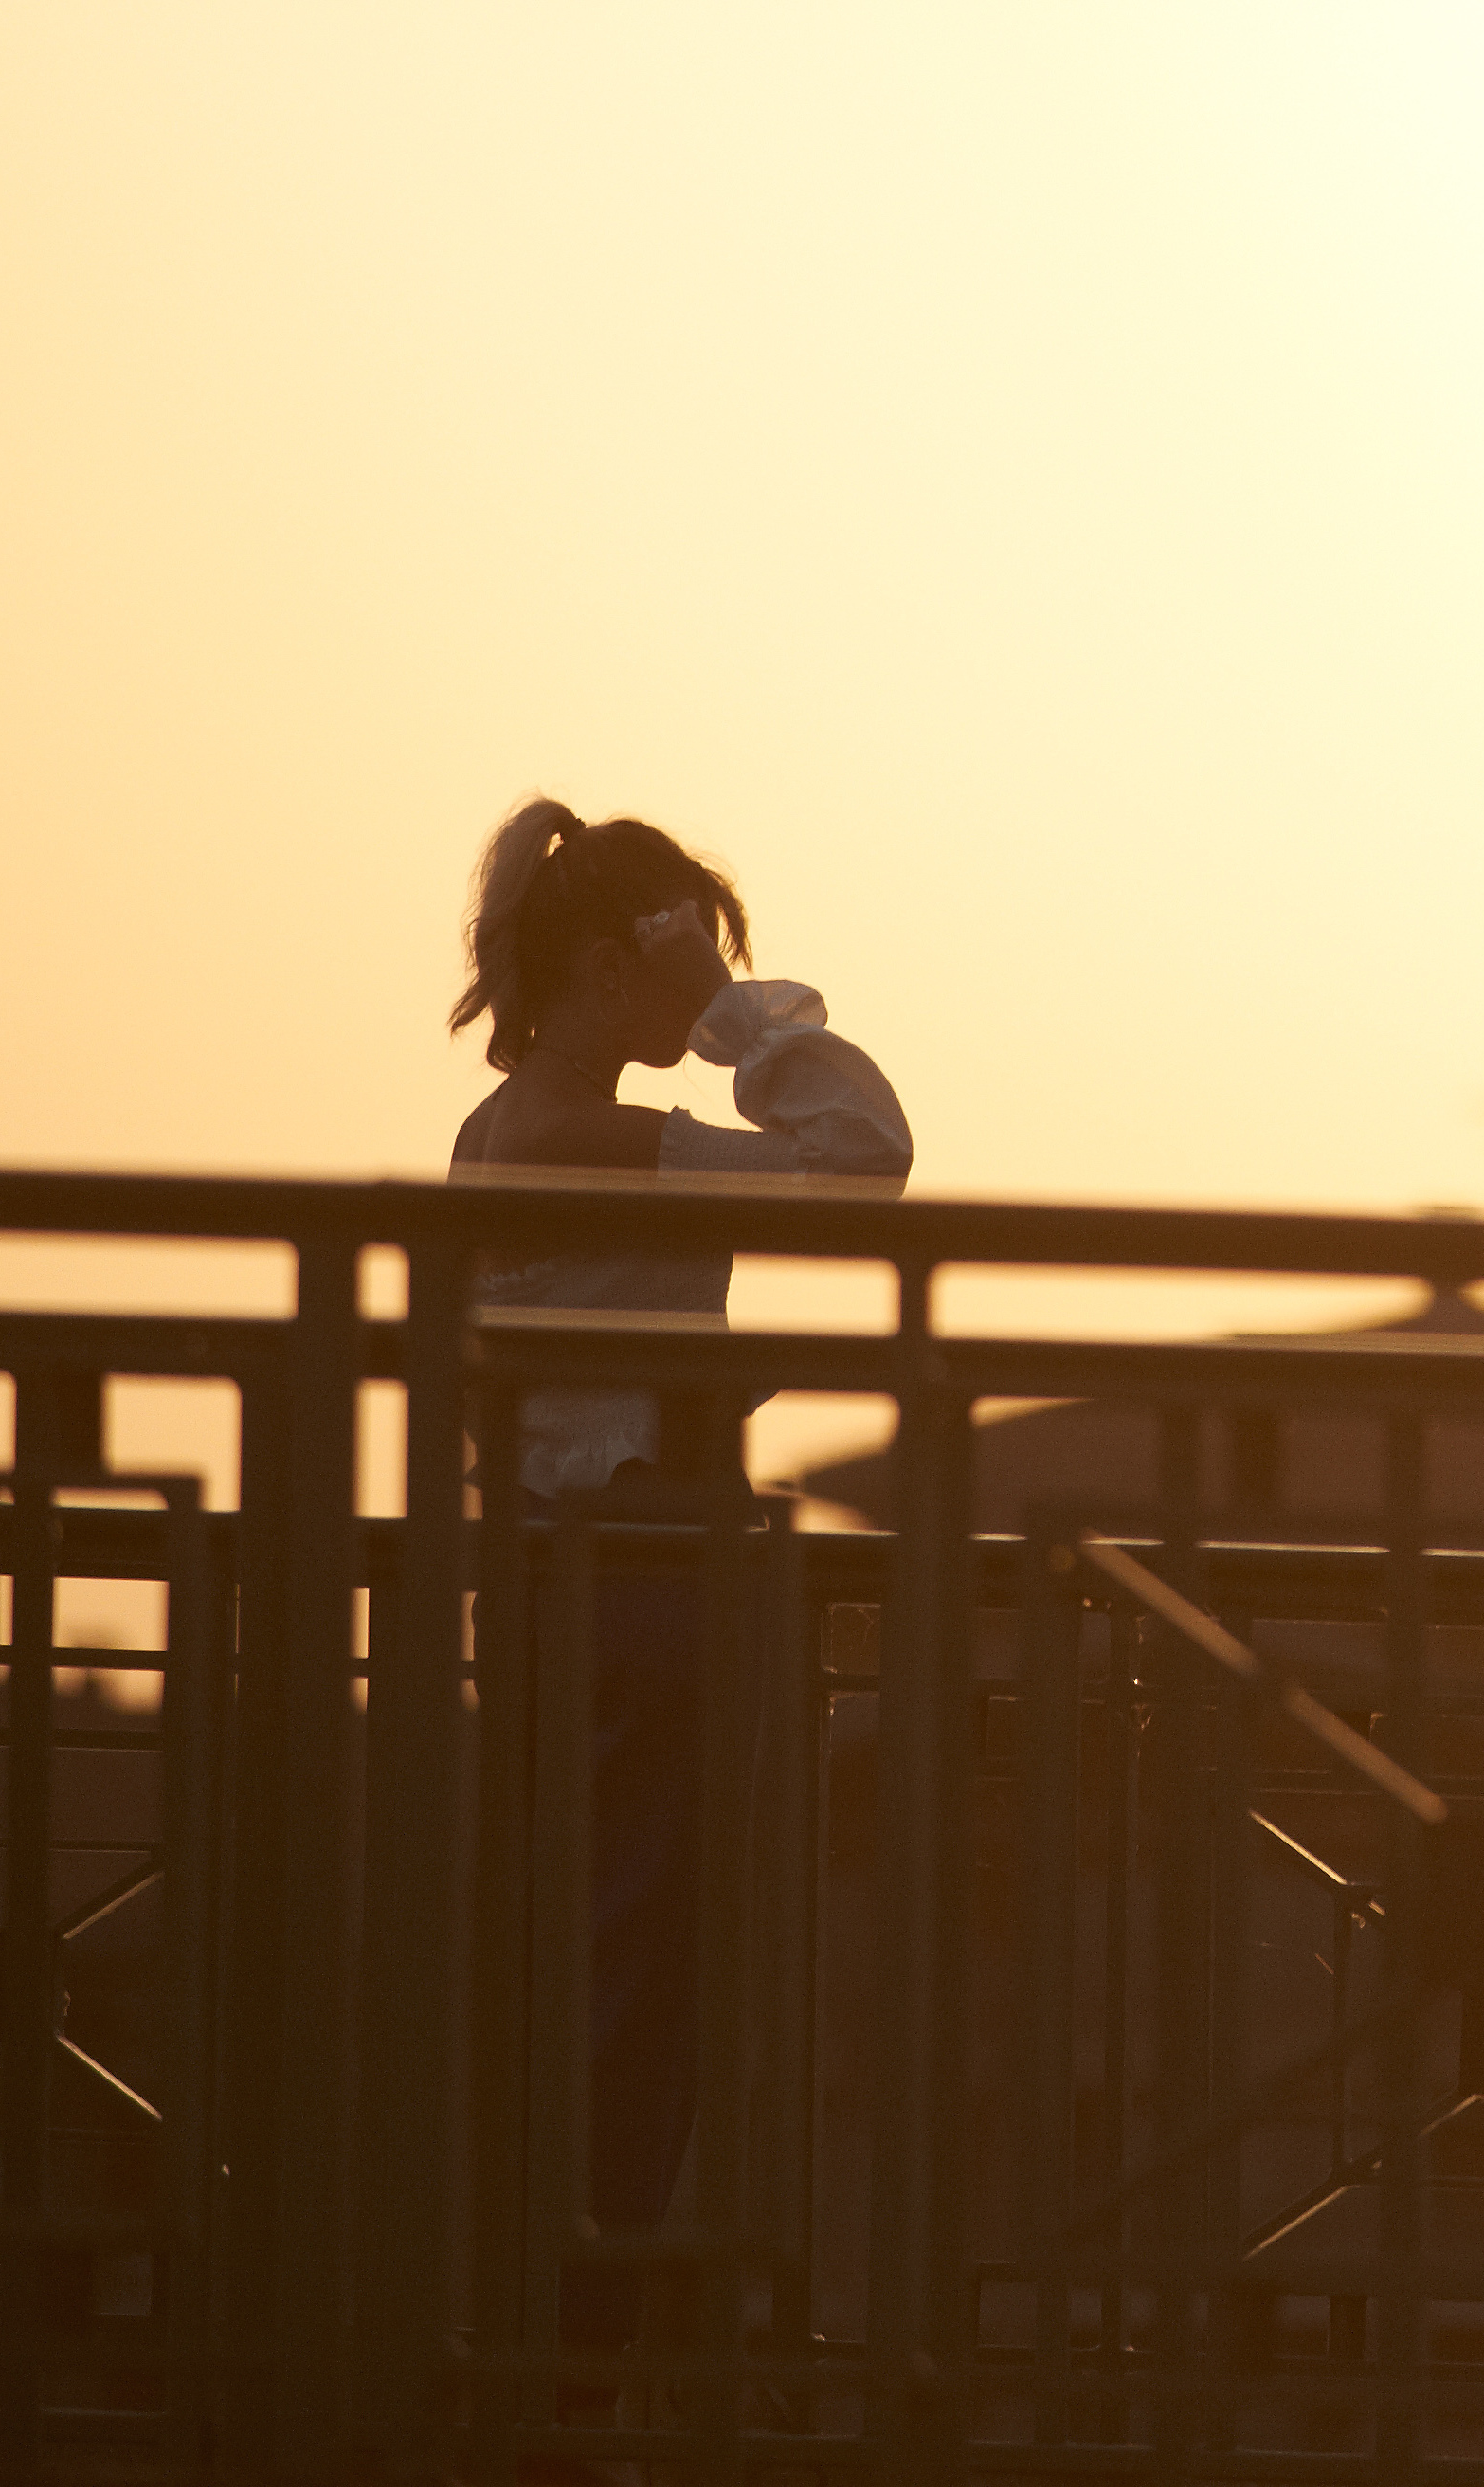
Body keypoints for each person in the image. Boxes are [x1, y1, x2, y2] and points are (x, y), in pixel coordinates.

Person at [449, 802, 911, 2333]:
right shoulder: (595, 1138)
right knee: (655, 1979)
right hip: (647, 1573)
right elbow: (863, 1160)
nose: (703, 985)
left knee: (581, 1960)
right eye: (686, 956)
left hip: (551, 1571)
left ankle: (546, 2337)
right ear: (610, 962)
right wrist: (739, 1016)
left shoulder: (489, 1133)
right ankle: (582, 2348)